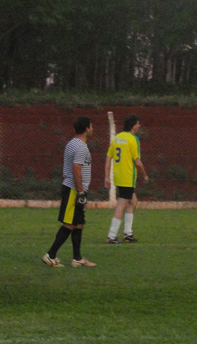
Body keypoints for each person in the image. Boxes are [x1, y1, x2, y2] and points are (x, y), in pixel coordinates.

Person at [42, 116, 97, 268]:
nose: (92, 128)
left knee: (79, 224)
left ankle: (77, 258)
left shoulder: (73, 143)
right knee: (69, 224)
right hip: (73, 189)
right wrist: (80, 192)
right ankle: (50, 255)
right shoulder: (80, 146)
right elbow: (76, 169)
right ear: (86, 128)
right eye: (91, 126)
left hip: (76, 189)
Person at [105, 114, 149, 244]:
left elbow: (108, 158)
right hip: (127, 177)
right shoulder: (133, 139)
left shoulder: (117, 138)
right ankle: (112, 236)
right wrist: (144, 175)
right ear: (133, 125)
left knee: (133, 202)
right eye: (138, 123)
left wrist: (107, 176)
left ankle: (128, 234)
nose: (139, 125)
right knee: (121, 205)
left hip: (118, 176)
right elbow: (138, 162)